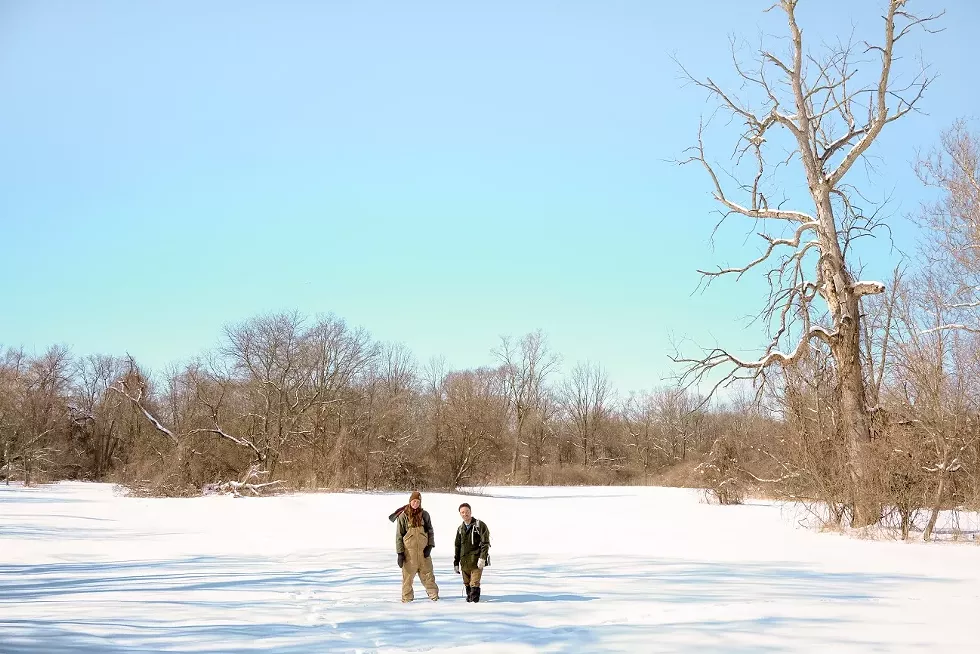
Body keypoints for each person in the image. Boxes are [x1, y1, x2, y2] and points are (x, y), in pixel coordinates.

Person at [394, 490, 439, 602]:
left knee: (428, 575)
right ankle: (407, 598)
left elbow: (430, 531)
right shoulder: (403, 516)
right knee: (407, 578)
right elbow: (399, 536)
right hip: (409, 554)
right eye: (414, 501)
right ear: (410, 501)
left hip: (424, 553)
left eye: (418, 501)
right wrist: (400, 553)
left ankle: (434, 596)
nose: (416, 504)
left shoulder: (425, 514)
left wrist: (430, 546)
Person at [453, 502, 490, 603]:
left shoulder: (479, 525)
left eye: (467, 512)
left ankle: (475, 604)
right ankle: (469, 602)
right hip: (464, 562)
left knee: (474, 583)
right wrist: (456, 563)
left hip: (476, 562)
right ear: (460, 514)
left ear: (471, 512)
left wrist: (482, 558)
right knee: (467, 584)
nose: (465, 514)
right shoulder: (460, 529)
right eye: (462, 512)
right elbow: (457, 546)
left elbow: (485, 543)